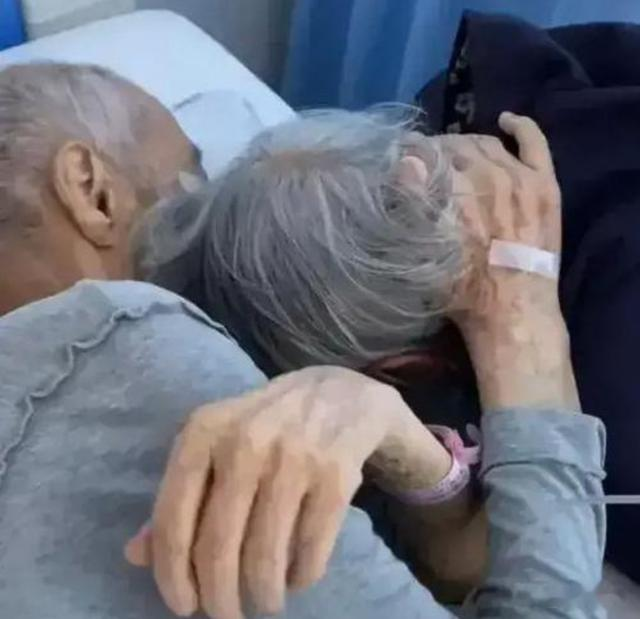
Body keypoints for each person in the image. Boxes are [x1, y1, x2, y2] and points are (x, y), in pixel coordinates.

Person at [128, 112, 608, 619]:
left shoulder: (157, 313)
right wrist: (521, 311)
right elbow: (504, 579)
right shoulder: (336, 527)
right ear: (405, 368)